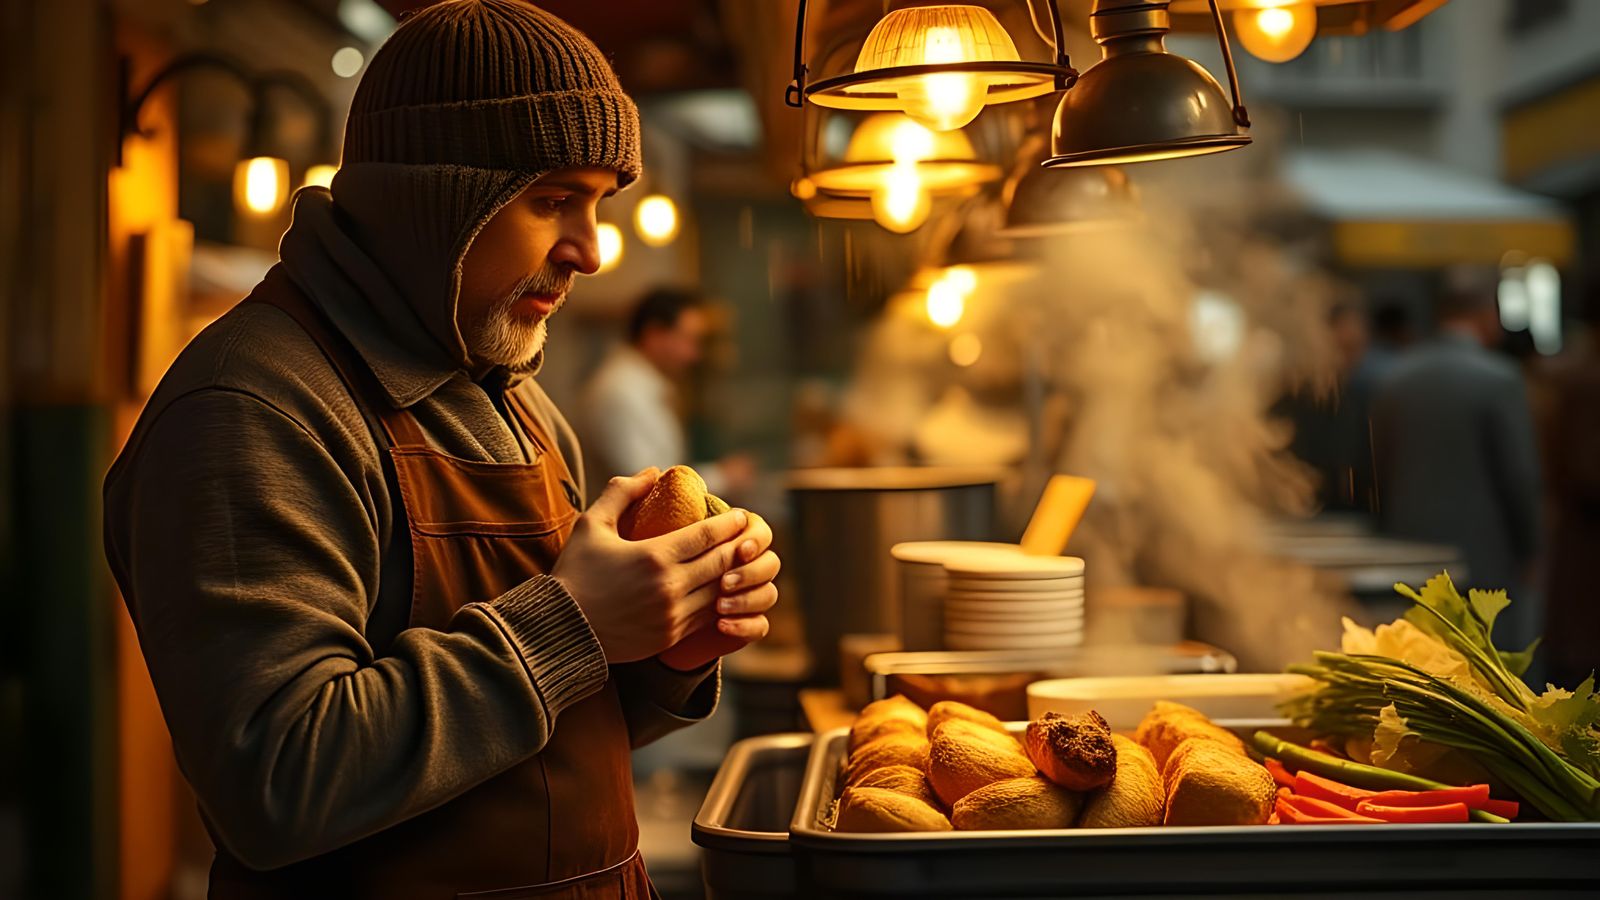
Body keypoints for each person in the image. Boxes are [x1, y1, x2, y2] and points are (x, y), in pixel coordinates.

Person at [102, 3, 779, 896]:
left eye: (599, 203)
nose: (589, 251)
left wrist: (665, 646)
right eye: (552, 201)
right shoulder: (251, 408)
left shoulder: (517, 399)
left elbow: (542, 740)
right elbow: (275, 783)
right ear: (432, 204)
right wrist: (570, 624)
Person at [1370, 270, 1541, 649]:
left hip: (1407, 554)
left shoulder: (1395, 379)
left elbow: (1375, 469)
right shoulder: (1500, 379)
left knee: (1417, 665)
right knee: (1485, 670)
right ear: (1487, 316)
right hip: (1482, 560)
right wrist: (1530, 549)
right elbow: (1518, 476)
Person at [578, 287, 755, 500]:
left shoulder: (636, 385)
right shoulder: (620, 391)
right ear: (654, 335)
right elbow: (645, 487)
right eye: (688, 339)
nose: (694, 354)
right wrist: (722, 477)